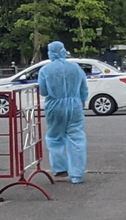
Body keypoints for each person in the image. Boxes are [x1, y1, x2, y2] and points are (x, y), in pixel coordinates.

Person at [37, 39, 89, 184]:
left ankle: (60, 169)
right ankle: (77, 174)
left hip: (54, 105)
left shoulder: (45, 70)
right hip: (75, 104)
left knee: (54, 137)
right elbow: (83, 89)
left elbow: (43, 91)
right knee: (77, 138)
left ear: (50, 53)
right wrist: (81, 101)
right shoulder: (76, 68)